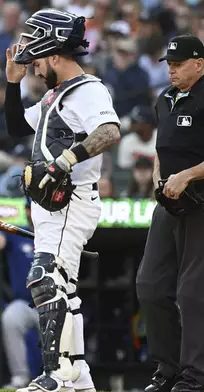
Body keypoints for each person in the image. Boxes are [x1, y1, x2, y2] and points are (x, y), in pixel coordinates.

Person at [4, 9, 121, 392]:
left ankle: (56, 375)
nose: (35, 68)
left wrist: (64, 161)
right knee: (63, 290)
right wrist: (11, 84)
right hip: (52, 205)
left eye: (38, 60)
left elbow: (108, 131)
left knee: (44, 278)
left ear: (55, 55)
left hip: (71, 201)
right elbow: (18, 126)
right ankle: (78, 374)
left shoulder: (88, 89)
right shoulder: (57, 94)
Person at [136, 34, 204, 392]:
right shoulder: (165, 99)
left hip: (201, 200)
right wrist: (161, 177)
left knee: (193, 291)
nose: (172, 70)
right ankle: (170, 368)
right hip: (170, 199)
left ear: (200, 63)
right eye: (169, 64)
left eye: (179, 64)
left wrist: (188, 175)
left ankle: (195, 377)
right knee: (149, 284)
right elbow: (163, 145)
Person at [0, 198, 39, 389]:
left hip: (51, 302)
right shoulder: (19, 232)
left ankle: (57, 376)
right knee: (10, 318)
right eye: (32, 208)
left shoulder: (55, 234)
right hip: (24, 302)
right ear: (27, 210)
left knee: (64, 326)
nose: (35, 212)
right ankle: (20, 377)